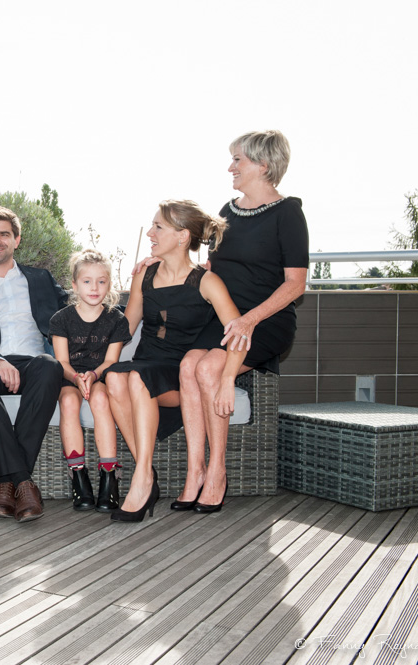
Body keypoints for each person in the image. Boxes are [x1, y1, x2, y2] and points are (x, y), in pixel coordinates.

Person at [174, 131, 309, 513]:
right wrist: (159, 265)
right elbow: (210, 267)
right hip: (224, 318)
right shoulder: (228, 211)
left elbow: (296, 284)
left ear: (263, 166)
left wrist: (249, 320)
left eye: (238, 160)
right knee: (188, 367)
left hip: (266, 320)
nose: (230, 166)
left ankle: (217, 472)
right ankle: (194, 470)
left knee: (209, 369)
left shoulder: (289, 214)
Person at [105, 200, 245, 522]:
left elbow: (238, 333)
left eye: (158, 227)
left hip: (178, 378)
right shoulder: (145, 275)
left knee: (136, 379)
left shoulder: (206, 281)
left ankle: (142, 479)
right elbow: (127, 326)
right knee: (115, 377)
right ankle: (145, 472)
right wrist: (96, 357)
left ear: (182, 237)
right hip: (145, 364)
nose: (151, 233)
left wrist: (227, 379)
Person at [0, 206, 67, 522]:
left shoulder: (41, 278)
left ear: (16, 240)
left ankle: (6, 486)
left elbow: (73, 311)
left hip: (34, 363)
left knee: (50, 366)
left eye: (4, 234)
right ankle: (23, 483)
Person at [50, 249, 132, 512]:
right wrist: (76, 377)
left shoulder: (116, 319)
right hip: (69, 376)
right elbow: (61, 362)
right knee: (70, 404)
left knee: (99, 398)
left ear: (109, 284)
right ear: (74, 285)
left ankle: (109, 474)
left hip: (100, 375)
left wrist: (93, 375)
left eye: (101, 281)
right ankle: (78, 474)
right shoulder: (60, 319)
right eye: (87, 281)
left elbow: (111, 361)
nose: (94, 287)